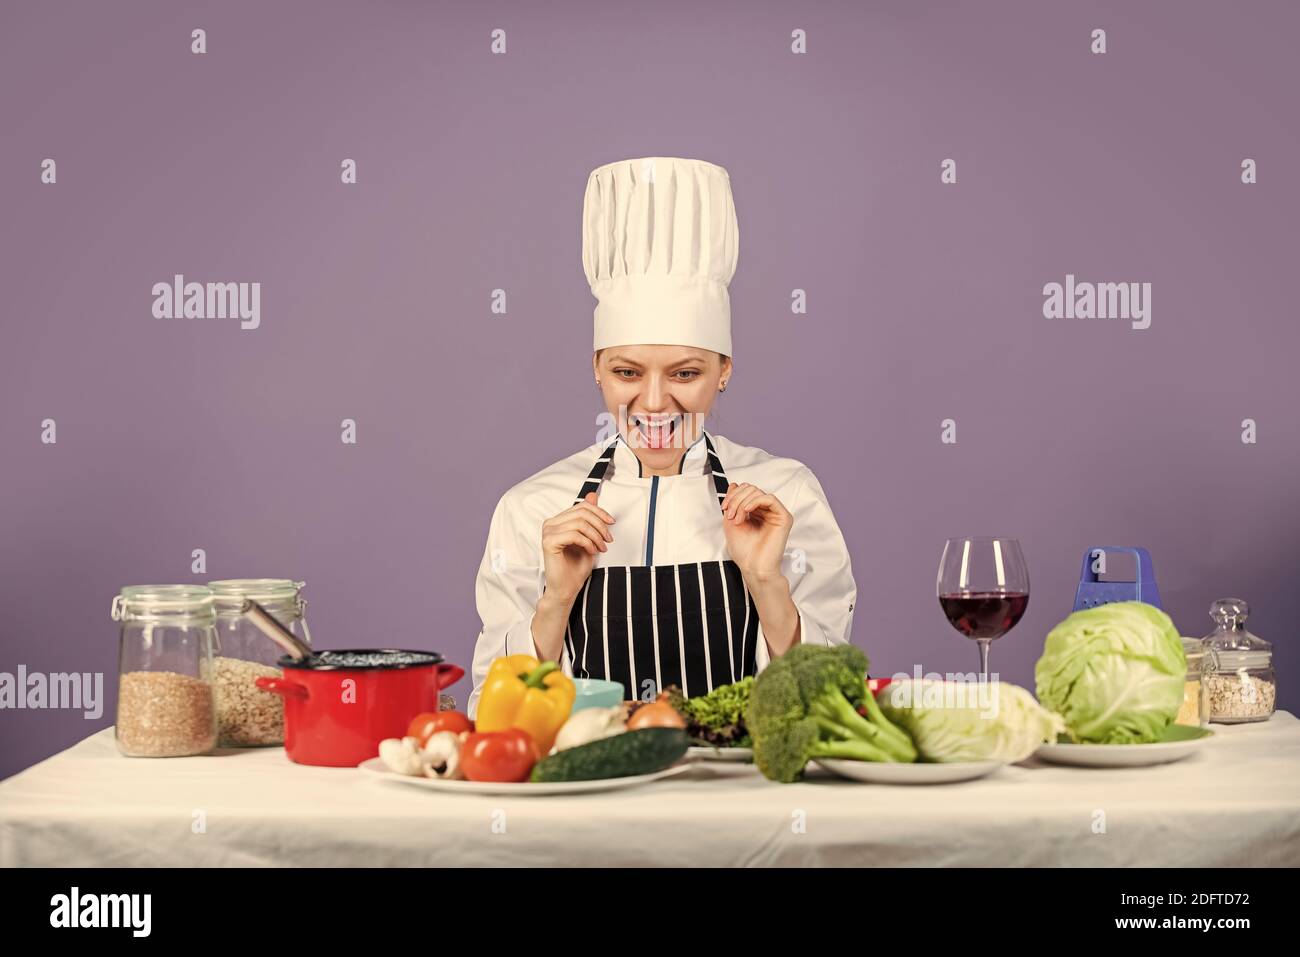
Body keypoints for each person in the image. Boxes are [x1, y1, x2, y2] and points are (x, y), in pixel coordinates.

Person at [467, 157, 856, 717]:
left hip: (743, 791)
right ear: (597, 368)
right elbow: (495, 714)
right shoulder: (533, 509)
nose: (653, 403)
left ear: (724, 370)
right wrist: (555, 601)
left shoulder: (784, 494)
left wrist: (766, 581)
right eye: (627, 373)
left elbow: (827, 704)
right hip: (595, 791)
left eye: (685, 373)